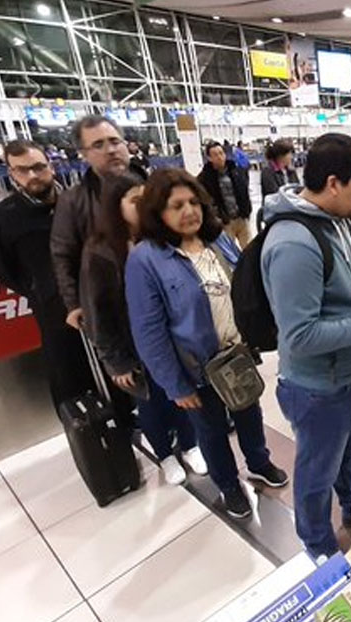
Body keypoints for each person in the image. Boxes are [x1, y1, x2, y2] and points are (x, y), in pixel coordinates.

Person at [261, 133, 351, 558]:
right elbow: (300, 336)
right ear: (332, 183)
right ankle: (318, 543)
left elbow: (350, 276)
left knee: (347, 449)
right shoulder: (293, 244)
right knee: (316, 470)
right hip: (317, 385)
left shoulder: (333, 223)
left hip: (347, 373)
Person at [126, 168, 288, 519]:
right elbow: (148, 331)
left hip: (237, 357)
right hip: (196, 369)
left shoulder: (218, 241)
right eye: (177, 205)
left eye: (194, 202)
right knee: (211, 430)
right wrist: (174, 384)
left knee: (249, 414)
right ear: (157, 212)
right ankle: (229, 486)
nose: (189, 211)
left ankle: (259, 462)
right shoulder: (146, 259)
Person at [79, 174, 203, 487]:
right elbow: (98, 314)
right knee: (151, 405)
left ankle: (189, 445)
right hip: (132, 348)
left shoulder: (162, 239)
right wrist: (115, 361)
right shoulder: (101, 252)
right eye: (135, 201)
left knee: (183, 395)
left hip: (173, 339)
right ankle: (164, 455)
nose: (143, 206)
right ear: (115, 207)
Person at [0, 141, 92, 410]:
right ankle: (90, 441)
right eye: (22, 170)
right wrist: (41, 290)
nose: (32, 175)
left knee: (118, 373)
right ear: (11, 174)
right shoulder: (1, 219)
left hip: (100, 303)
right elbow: (2, 270)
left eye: (38, 167)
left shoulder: (79, 203)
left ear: (51, 167)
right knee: (69, 380)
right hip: (54, 314)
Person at [50, 114, 142, 333]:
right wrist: (73, 304)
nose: (110, 150)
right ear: (84, 154)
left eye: (114, 141)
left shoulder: (152, 185)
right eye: (98, 145)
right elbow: (62, 253)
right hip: (112, 306)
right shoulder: (73, 201)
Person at [198, 141, 253, 249]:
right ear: (209, 158)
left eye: (221, 153)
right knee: (229, 255)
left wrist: (247, 210)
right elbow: (204, 200)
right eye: (215, 155)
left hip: (241, 218)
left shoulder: (236, 170)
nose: (219, 157)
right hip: (225, 222)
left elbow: (245, 191)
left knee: (250, 251)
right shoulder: (204, 178)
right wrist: (217, 216)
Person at [259, 139, 300, 207]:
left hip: (291, 207)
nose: (291, 157)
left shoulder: (291, 171)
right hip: (274, 209)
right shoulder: (267, 172)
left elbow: (297, 188)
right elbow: (273, 194)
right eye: (289, 154)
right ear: (281, 155)